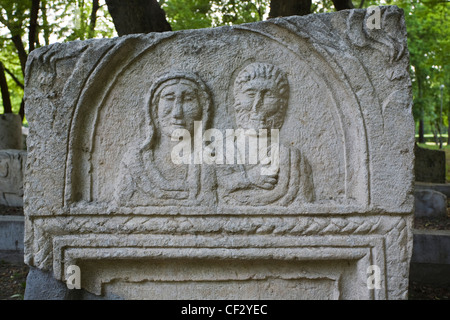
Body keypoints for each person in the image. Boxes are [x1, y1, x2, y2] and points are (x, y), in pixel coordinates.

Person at [114, 71, 216, 207]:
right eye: (169, 98)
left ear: (203, 109)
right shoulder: (135, 161)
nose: (177, 113)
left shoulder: (211, 162)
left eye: (188, 100)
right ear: (154, 109)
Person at [218, 62, 314, 206]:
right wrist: (248, 178)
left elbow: (304, 206)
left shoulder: (291, 158)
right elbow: (209, 185)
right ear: (236, 100)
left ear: (281, 104)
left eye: (268, 95)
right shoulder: (218, 152)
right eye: (250, 94)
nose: (257, 105)